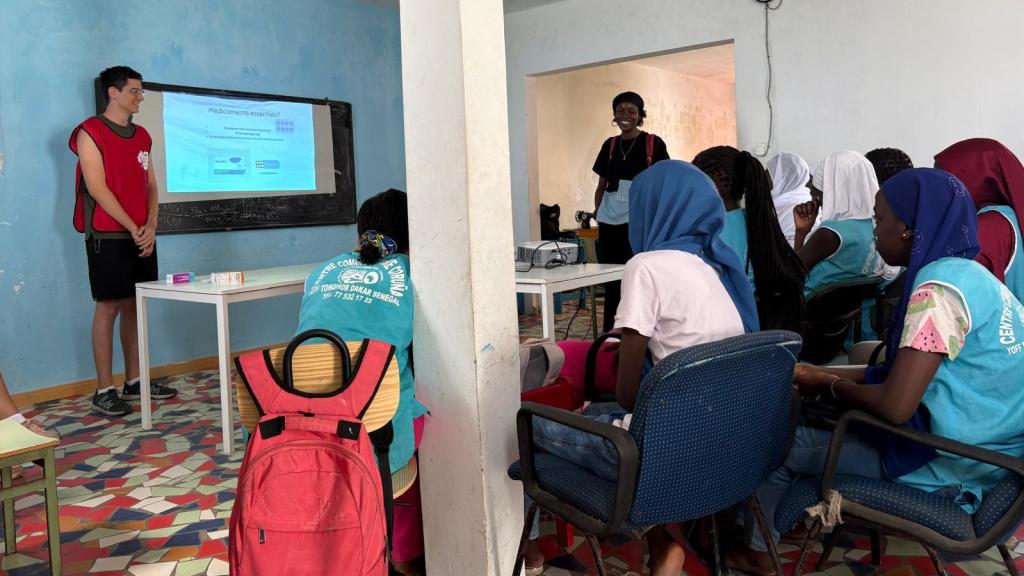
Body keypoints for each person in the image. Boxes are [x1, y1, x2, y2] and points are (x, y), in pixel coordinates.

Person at [727, 168, 1024, 575]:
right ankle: (781, 518)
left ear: (907, 229)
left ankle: (757, 548)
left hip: (952, 464)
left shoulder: (936, 295)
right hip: (994, 453)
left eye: (879, 218)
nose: (874, 231)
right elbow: (902, 374)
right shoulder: (971, 276)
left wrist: (829, 384)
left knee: (772, 445)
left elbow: (896, 404)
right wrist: (817, 373)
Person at [524, 160, 758, 576]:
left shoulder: (647, 266)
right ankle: (661, 541)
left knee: (524, 426)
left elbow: (629, 393)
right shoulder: (717, 268)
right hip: (728, 449)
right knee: (599, 416)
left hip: (665, 452)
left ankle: (526, 550)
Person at [295, 189, 427, 575]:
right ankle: (406, 557)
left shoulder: (320, 272)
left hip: (313, 430)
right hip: (380, 440)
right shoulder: (414, 274)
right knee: (440, 424)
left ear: (360, 232)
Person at [70, 66, 175, 417]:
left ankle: (135, 381)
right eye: (134, 91)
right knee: (109, 306)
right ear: (112, 93)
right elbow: (97, 188)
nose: (140, 97)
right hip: (108, 234)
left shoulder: (143, 135)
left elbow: (151, 185)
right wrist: (133, 226)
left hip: (140, 232)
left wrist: (151, 225)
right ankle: (104, 389)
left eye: (140, 91)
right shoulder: (90, 132)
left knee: (134, 305)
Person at [693, 146, 805, 331]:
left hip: (731, 329)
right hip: (763, 325)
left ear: (717, 183)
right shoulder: (757, 219)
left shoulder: (714, 231)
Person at [591, 91, 670, 332]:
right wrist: (597, 212)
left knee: (637, 276)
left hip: (639, 220)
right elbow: (601, 185)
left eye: (631, 111)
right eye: (620, 110)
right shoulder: (610, 145)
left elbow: (663, 180)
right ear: (614, 115)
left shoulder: (653, 143)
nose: (625, 115)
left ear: (640, 115)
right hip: (609, 222)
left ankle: (637, 329)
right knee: (611, 277)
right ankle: (611, 331)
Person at [794, 150, 894, 297]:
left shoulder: (829, 234)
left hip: (808, 313)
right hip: (852, 317)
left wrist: (801, 233)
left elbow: (791, 275)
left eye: (818, 193)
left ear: (833, 190)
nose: (814, 197)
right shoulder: (875, 225)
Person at [934, 138, 1024, 302]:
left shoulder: (989, 226)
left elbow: (956, 291)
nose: (938, 190)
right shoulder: (1012, 215)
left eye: (945, 180)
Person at [766, 152, 813, 247]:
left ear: (782, 178)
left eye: (768, 174)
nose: (763, 179)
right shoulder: (775, 202)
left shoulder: (801, 207)